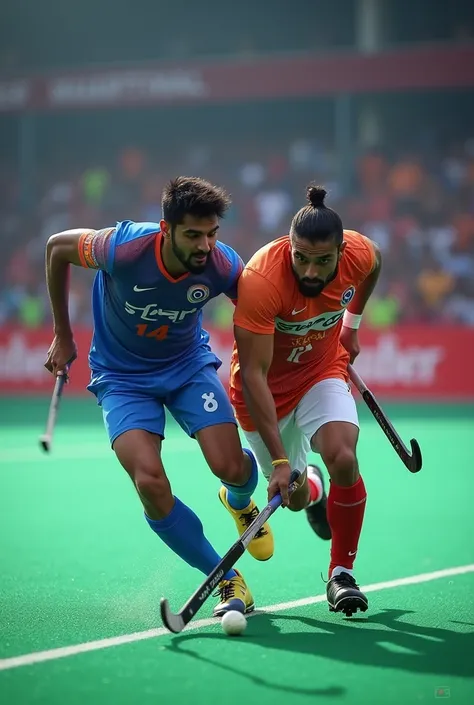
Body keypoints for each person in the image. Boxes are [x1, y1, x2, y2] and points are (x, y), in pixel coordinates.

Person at [43, 176, 274, 617]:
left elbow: (263, 308)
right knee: (148, 482)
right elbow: (56, 248)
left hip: (187, 367)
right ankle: (226, 578)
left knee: (230, 467)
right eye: (193, 234)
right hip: (122, 376)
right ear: (166, 229)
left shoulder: (222, 265)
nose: (205, 245)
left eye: (212, 233)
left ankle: (239, 501)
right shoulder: (123, 247)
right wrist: (62, 333)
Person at [227, 184, 382, 617]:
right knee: (293, 497)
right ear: (290, 248)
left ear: (340, 251)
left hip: (320, 370)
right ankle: (310, 489)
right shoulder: (261, 281)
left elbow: (375, 265)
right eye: (301, 258)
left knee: (344, 457)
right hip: (264, 395)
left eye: (323, 261)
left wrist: (351, 325)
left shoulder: (359, 253)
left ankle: (341, 574)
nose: (311, 272)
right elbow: (254, 374)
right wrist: (279, 462)